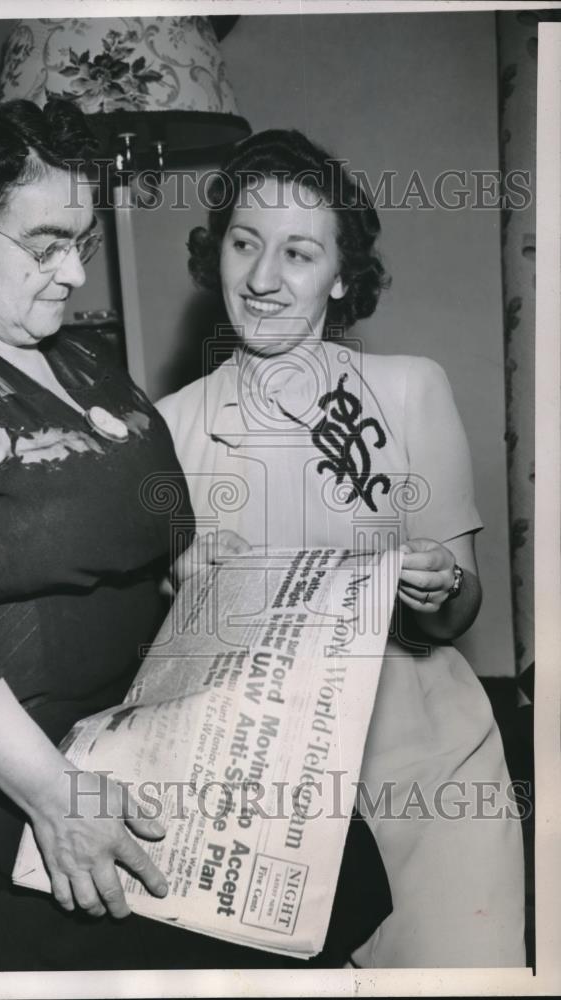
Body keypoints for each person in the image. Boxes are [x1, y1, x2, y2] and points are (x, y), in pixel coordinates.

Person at [0, 101, 391, 971]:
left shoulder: (84, 364)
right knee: (224, 917)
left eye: (80, 244)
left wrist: (276, 592)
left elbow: (171, 544)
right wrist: (57, 795)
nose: (73, 276)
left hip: (120, 716)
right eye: (43, 245)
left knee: (345, 867)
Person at [156, 128, 526, 968]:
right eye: (245, 243)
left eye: (298, 252)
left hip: (429, 777)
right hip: (261, 802)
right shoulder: (169, 428)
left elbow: (460, 608)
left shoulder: (407, 389)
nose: (262, 277)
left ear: (342, 276)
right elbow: (173, 656)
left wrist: (435, 590)